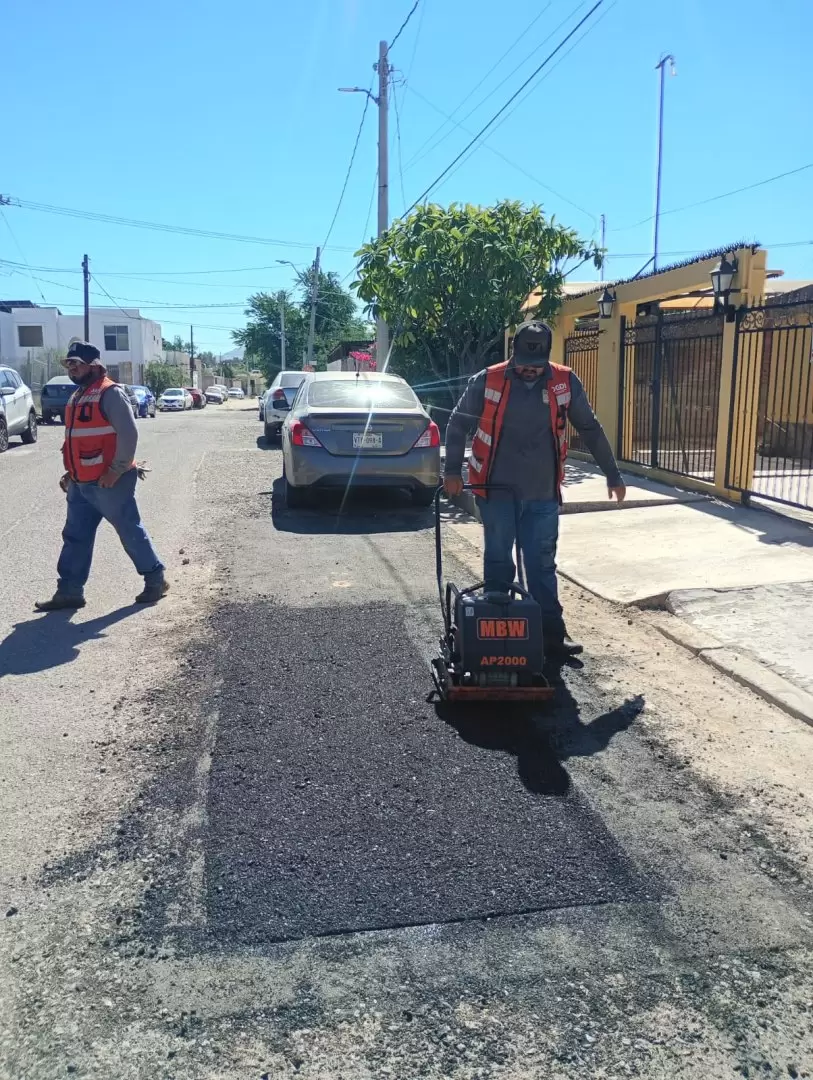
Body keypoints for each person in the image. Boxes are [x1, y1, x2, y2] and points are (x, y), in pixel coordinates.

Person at [443, 319, 626, 658]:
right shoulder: (489, 379)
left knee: (542, 564)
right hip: (496, 491)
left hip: (543, 494)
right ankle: (498, 634)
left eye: (537, 364)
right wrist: (452, 470)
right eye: (525, 363)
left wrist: (612, 474)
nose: (530, 370)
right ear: (514, 354)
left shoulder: (564, 380)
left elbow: (589, 427)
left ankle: (551, 636)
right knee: (499, 560)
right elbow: (457, 423)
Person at [35, 341, 168, 611]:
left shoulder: (110, 393)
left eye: (76, 363)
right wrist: (71, 472)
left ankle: (156, 580)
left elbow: (129, 434)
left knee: (129, 530)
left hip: (110, 481)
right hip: (80, 482)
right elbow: (78, 440)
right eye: (69, 364)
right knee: (75, 537)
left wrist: (116, 470)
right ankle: (70, 591)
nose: (71, 368)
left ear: (94, 366)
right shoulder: (78, 395)